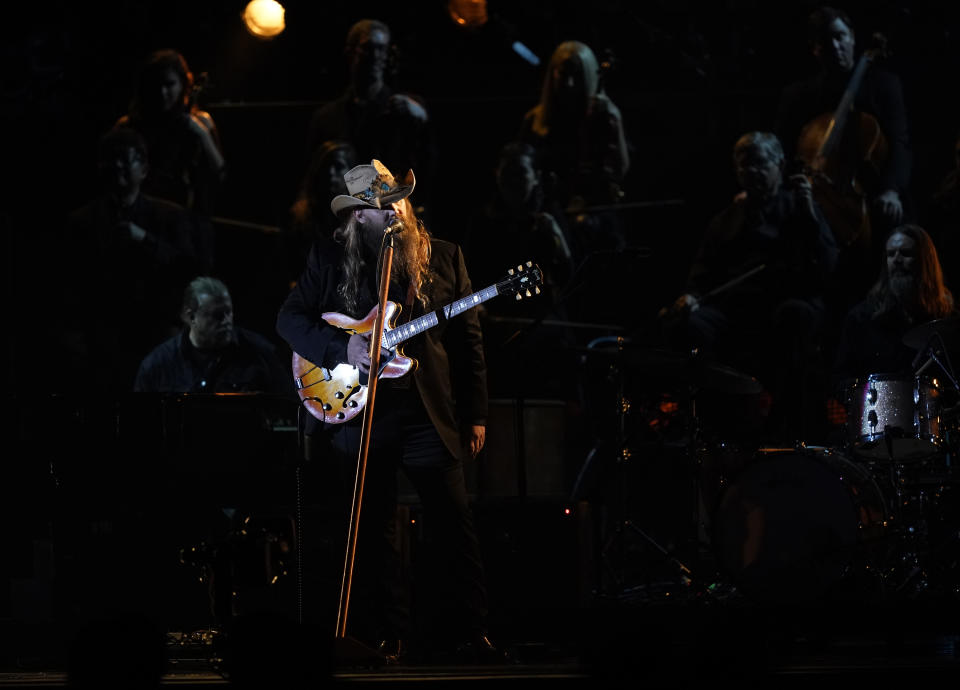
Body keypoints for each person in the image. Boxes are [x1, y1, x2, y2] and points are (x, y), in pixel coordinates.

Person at [275, 159, 505, 663]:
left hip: (428, 412)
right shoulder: (331, 257)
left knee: (453, 522)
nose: (398, 210)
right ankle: (386, 636)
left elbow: (468, 343)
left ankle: (470, 630)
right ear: (360, 217)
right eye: (385, 205)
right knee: (373, 530)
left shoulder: (444, 257)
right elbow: (289, 321)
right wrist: (344, 352)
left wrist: (477, 414)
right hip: (364, 412)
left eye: (400, 199)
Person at [661, 131, 839, 443]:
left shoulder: (799, 206)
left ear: (780, 165)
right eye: (742, 166)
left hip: (786, 303)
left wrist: (809, 212)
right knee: (692, 324)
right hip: (737, 310)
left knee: (795, 314)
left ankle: (782, 425)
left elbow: (828, 264)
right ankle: (707, 425)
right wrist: (690, 296)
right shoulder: (727, 217)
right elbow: (702, 275)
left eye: (758, 164)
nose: (749, 173)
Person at [775, 6, 913, 310]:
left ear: (852, 37)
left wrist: (892, 189)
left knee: (892, 231)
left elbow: (900, 143)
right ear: (814, 50)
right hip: (813, 194)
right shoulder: (799, 95)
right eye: (825, 42)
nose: (835, 47)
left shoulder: (883, 85)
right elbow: (781, 150)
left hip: (869, 191)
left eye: (840, 37)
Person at [57, 128, 198, 394]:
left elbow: (188, 268)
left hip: (156, 331)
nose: (117, 166)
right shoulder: (81, 221)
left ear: (143, 168)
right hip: (102, 337)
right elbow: (70, 281)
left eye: (125, 159)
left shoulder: (169, 217)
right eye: (110, 160)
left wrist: (146, 240)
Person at [462, 140, 577, 398]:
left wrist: (558, 237)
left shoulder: (549, 218)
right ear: (497, 175)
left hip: (540, 324)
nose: (513, 182)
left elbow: (569, 278)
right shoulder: (483, 222)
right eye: (507, 173)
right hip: (494, 324)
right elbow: (467, 275)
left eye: (521, 173)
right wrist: (476, 304)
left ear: (536, 177)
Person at [305, 19, 435, 218]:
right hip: (342, 221)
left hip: (395, 217)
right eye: (367, 48)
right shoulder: (327, 117)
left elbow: (428, 162)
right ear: (350, 52)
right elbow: (313, 175)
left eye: (381, 50)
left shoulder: (404, 109)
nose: (375, 57)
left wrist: (422, 119)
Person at [115, 48, 226, 272]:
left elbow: (220, 173)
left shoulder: (201, 122)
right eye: (155, 85)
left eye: (169, 85)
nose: (162, 92)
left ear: (183, 85)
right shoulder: (131, 125)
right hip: (142, 220)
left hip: (190, 223)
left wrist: (202, 134)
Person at [519, 40, 631, 252]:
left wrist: (615, 122)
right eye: (562, 74)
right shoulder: (534, 119)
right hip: (548, 216)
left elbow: (620, 170)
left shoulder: (603, 117)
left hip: (595, 220)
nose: (569, 83)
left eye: (577, 75)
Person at [833, 224, 957, 383]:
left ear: (925, 261)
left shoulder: (947, 316)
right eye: (891, 254)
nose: (897, 260)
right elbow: (841, 377)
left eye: (905, 253)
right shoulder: (862, 318)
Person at [134, 276, 291, 395]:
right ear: (191, 317)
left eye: (228, 312)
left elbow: (287, 407)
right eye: (217, 315)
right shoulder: (158, 365)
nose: (226, 321)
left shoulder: (261, 353)